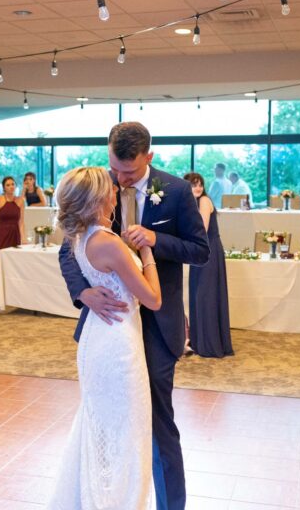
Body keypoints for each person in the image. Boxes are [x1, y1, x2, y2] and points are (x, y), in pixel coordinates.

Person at [59, 121, 209, 510]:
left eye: (128, 171)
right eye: (115, 168)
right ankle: (106, 494)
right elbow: (68, 249)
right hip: (110, 325)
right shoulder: (95, 188)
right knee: (105, 420)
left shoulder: (176, 191)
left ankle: (167, 505)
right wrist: (83, 290)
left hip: (157, 329)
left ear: (150, 158)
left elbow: (200, 250)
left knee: (156, 423)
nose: (120, 179)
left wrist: (156, 241)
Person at [49, 166, 161, 509]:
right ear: (100, 198)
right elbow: (153, 299)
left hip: (99, 337)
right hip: (118, 345)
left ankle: (97, 496)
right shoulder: (108, 242)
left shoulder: (82, 237)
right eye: (111, 188)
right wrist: (146, 254)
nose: (116, 191)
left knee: (101, 426)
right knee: (128, 431)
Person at [184, 172, 234, 358]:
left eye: (200, 184)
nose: (198, 188)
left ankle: (209, 344)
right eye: (193, 185)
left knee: (206, 295)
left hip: (209, 251)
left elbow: (201, 229)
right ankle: (199, 341)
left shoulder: (204, 201)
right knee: (199, 295)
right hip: (200, 251)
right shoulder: (192, 204)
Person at [0, 176, 24, 256]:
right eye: (8, 185)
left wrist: (23, 239)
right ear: (4, 188)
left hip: (15, 234)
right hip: (2, 233)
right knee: (1, 258)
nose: (11, 187)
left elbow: (21, 222)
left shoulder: (21, 201)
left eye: (13, 184)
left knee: (15, 259)